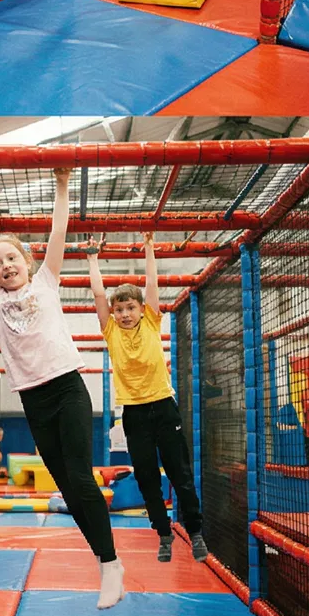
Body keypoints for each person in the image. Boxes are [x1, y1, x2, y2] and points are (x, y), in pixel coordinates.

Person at [0, 169, 123, 608]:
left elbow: (58, 230)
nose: (5, 266)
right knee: (64, 485)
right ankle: (105, 559)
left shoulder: (46, 280)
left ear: (27, 259)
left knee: (80, 477)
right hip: (33, 398)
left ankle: (110, 565)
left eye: (12, 258)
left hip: (67, 388)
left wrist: (62, 188)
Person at [87, 232, 207, 563]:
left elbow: (152, 283)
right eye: (120, 309)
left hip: (163, 408)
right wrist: (92, 259)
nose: (125, 314)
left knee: (179, 473)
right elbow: (99, 295)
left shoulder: (152, 323)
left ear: (142, 309)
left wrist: (150, 250)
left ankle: (196, 532)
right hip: (135, 414)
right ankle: (164, 534)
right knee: (147, 478)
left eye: (130, 308)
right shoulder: (110, 331)